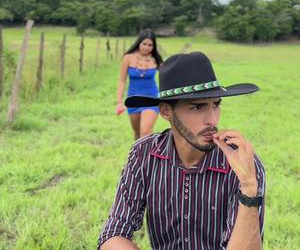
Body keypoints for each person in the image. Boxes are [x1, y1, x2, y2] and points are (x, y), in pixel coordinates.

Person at [99, 51, 266, 250]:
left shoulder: (242, 165)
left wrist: (249, 188)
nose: (212, 120)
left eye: (216, 105)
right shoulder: (144, 154)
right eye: (197, 107)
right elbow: (114, 232)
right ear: (166, 111)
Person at [115, 28, 163, 140]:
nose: (146, 47)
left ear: (153, 46)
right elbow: (122, 80)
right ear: (139, 43)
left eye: (150, 45)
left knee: (145, 132)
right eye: (144, 44)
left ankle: (147, 157)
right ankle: (138, 156)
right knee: (137, 133)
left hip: (151, 99)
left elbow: (167, 75)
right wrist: (119, 102)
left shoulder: (155, 59)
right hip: (133, 99)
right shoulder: (128, 58)